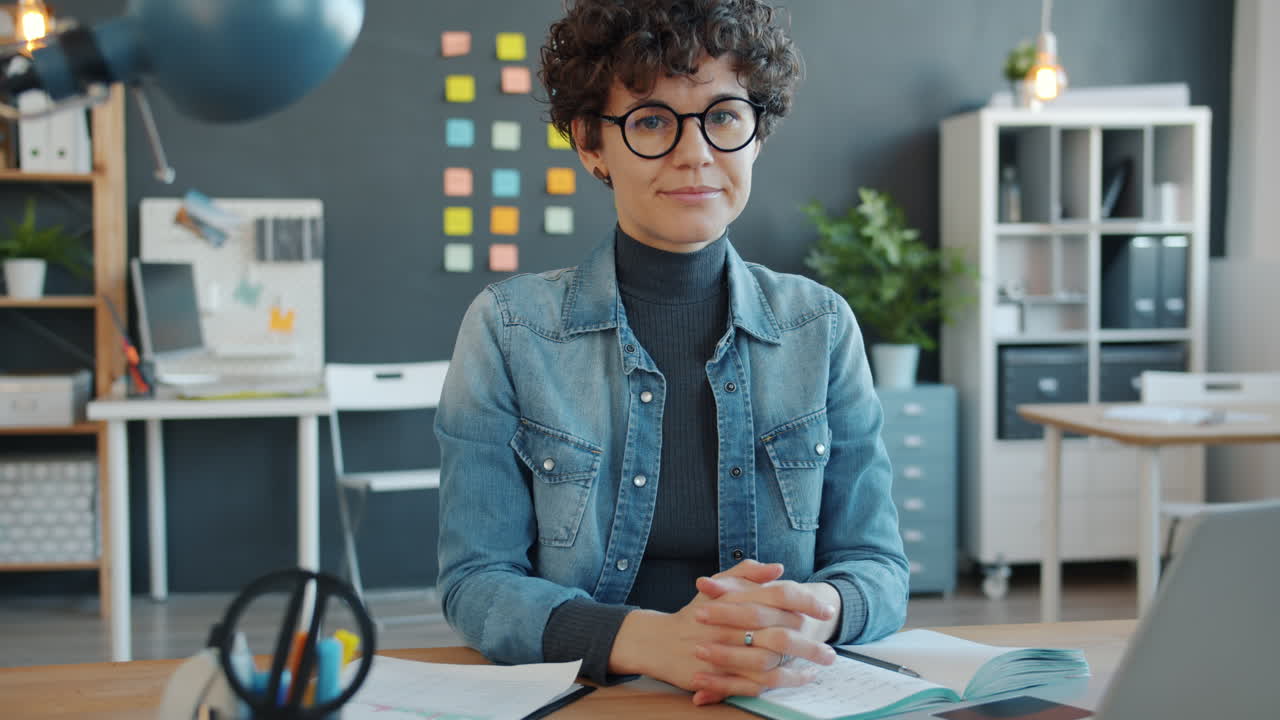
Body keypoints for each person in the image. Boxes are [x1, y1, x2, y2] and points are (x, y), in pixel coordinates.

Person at [435, 0, 908, 705]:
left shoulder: (821, 327)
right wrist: (651, 639)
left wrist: (814, 611)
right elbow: (475, 582)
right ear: (591, 144)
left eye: (723, 117)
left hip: (780, 691)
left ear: (756, 134)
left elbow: (876, 567)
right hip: (596, 696)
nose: (696, 153)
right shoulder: (509, 330)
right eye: (652, 120)